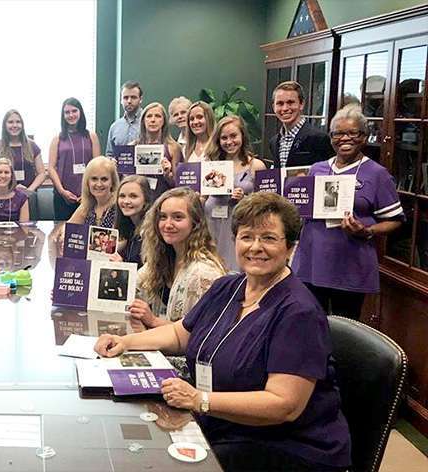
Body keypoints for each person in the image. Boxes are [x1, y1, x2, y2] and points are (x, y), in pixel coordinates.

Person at [95, 192, 351, 472]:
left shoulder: (298, 312)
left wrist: (200, 399)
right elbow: (181, 335)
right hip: (224, 424)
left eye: (268, 238)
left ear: (290, 247)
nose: (256, 247)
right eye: (247, 237)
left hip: (285, 445)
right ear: (235, 241)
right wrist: (126, 342)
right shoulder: (227, 288)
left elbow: (284, 404)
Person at [293, 104, 403, 319]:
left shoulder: (377, 174)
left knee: (345, 329)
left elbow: (395, 220)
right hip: (311, 263)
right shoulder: (317, 169)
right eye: (338, 133)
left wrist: (368, 230)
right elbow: (300, 209)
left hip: (349, 267)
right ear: (331, 137)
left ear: (364, 136)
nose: (345, 139)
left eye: (353, 133)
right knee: (310, 324)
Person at [131, 186, 226, 328]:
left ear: (195, 223)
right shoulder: (161, 260)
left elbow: (201, 334)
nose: (168, 224)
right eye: (163, 217)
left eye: (178, 217)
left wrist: (153, 321)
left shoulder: (204, 273)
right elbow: (131, 291)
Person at [204, 115, 266, 272]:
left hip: (239, 229)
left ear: (243, 136)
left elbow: (266, 205)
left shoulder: (256, 166)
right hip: (213, 225)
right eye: (224, 138)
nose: (229, 141)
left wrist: (245, 199)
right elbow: (203, 197)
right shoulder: (211, 165)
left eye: (233, 136)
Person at [0, 109, 45, 216]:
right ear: (4, 125)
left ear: (22, 125)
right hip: (3, 197)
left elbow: (42, 173)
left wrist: (29, 191)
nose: (14, 125)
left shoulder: (32, 146)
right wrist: (1, 188)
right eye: (10, 122)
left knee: (28, 230)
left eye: (18, 122)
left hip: (28, 196)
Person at [48, 97, 102, 220]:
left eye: (74, 111)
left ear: (80, 113)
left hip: (89, 195)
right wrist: (62, 191)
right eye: (67, 112)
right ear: (63, 116)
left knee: (87, 232)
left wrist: (89, 192)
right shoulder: (57, 139)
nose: (71, 115)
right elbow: (51, 168)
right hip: (63, 196)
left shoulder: (91, 136)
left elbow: (98, 166)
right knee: (62, 232)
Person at [270, 81, 333, 169]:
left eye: (290, 102)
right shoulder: (274, 142)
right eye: (280, 103)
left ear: (301, 104)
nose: (285, 108)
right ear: (274, 107)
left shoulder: (319, 138)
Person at [131, 101, 182, 198]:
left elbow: (177, 184)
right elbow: (125, 178)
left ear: (164, 121)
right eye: (149, 116)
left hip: (163, 198)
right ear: (143, 121)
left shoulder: (174, 147)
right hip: (137, 199)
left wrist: (168, 174)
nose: (153, 120)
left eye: (158, 116)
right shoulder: (133, 146)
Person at [68, 156, 119, 228]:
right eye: (94, 179)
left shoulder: (119, 206)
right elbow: (69, 228)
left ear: (112, 182)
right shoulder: (87, 205)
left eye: (104, 179)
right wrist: (63, 231)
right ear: (87, 182)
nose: (99, 184)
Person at [113, 175, 152, 266]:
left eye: (133, 196)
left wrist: (122, 266)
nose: (126, 201)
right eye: (122, 196)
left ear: (146, 200)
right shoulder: (128, 228)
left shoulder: (150, 232)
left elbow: (151, 274)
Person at [105, 80, 143, 157]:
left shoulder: (149, 122)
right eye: (125, 98)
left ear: (140, 99)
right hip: (119, 169)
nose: (129, 101)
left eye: (133, 97)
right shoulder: (114, 127)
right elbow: (109, 155)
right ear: (121, 100)